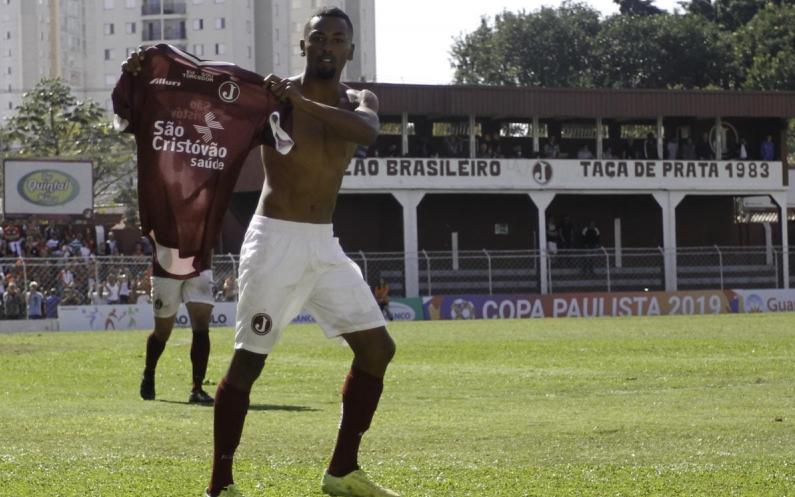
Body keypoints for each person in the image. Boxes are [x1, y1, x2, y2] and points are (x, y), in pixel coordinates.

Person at [206, 8, 399, 497]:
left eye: (338, 39)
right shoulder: (272, 100)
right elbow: (208, 99)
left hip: (323, 245)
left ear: (351, 50)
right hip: (274, 241)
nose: (328, 46)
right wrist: (156, 70)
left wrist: (299, 101)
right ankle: (220, 484)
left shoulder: (360, 100)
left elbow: (366, 132)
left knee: (378, 348)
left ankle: (341, 472)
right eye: (319, 38)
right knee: (249, 361)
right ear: (304, 45)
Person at [115, 40, 294, 405]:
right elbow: (127, 107)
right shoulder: (165, 150)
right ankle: (149, 373)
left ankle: (197, 388)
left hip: (202, 256)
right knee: (162, 331)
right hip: (166, 256)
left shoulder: (211, 144)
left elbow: (274, 125)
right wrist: (132, 71)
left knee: (202, 323)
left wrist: (276, 96)